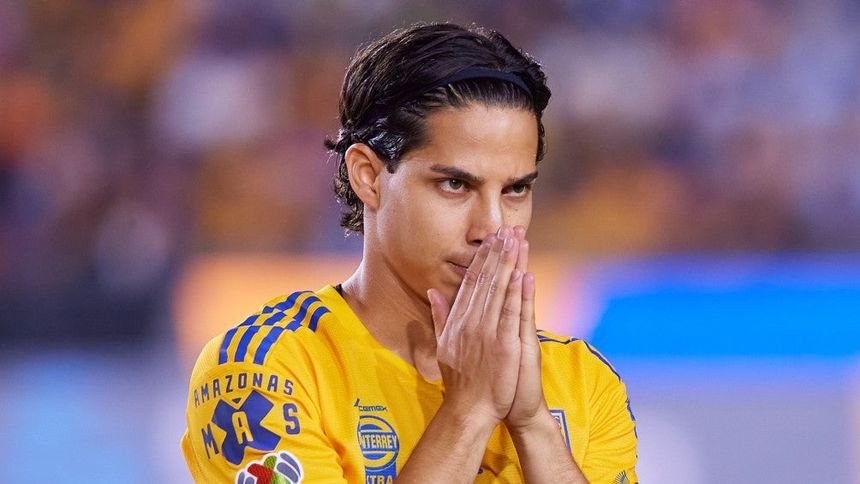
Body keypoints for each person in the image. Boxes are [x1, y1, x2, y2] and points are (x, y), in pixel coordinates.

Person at [181, 22, 638, 484]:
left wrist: (534, 426)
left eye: (515, 190)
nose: (492, 227)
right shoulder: (263, 373)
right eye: (455, 184)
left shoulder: (583, 383)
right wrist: (470, 410)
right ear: (368, 176)